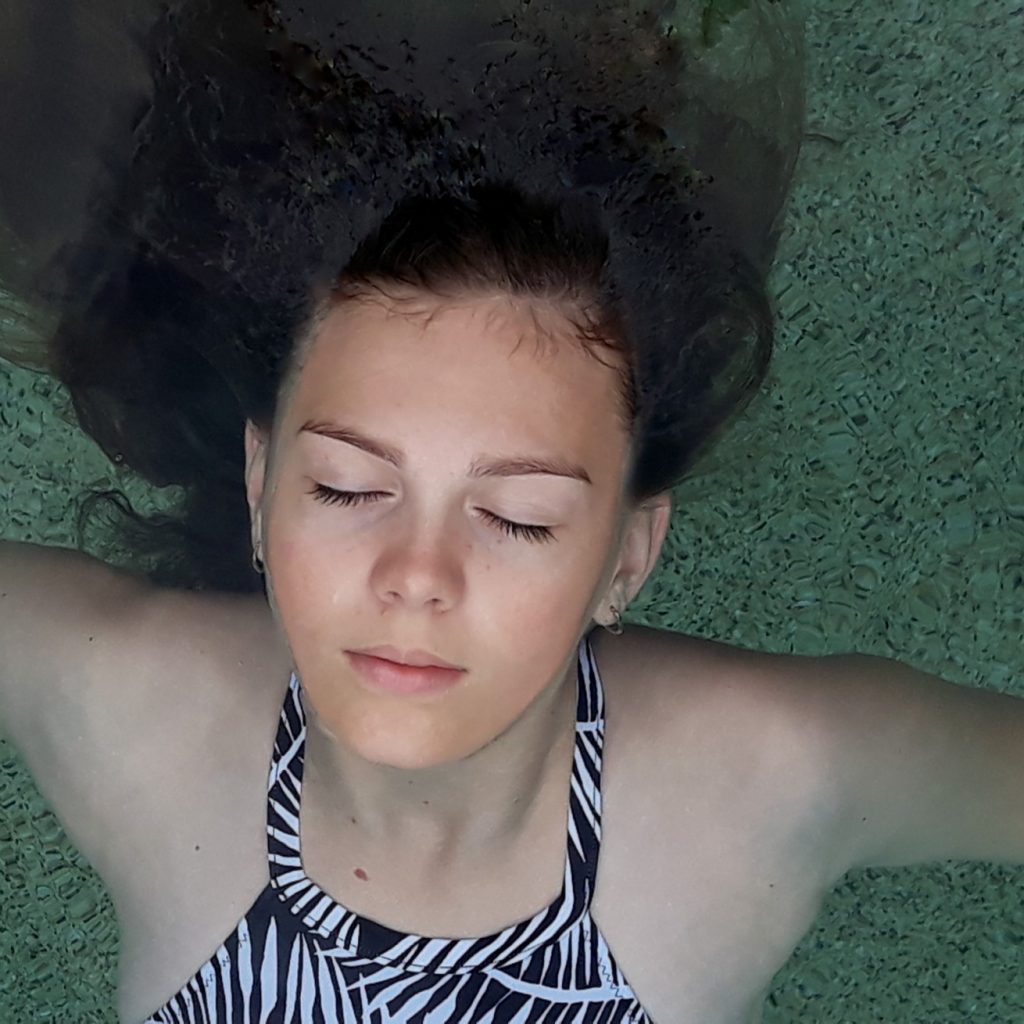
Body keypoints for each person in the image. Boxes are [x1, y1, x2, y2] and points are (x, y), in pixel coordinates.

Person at [5, 2, 1020, 1023]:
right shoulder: (121, 702)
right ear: (260, 482)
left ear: (628, 556)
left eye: (519, 517)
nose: (417, 574)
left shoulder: (781, 775)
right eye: (348, 487)